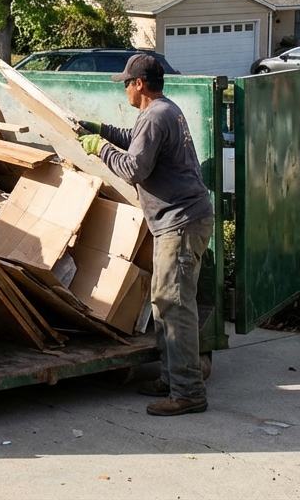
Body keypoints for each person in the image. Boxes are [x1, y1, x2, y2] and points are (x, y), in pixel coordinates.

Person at [77, 54, 214, 417]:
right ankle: (171, 380)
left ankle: (188, 392)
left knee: (175, 306)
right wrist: (101, 130)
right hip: (182, 221)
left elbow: (134, 168)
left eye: (126, 83)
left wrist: (99, 148)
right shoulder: (163, 110)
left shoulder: (155, 116)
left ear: (139, 84)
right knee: (164, 303)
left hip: (180, 223)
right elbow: (135, 140)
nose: (124, 88)